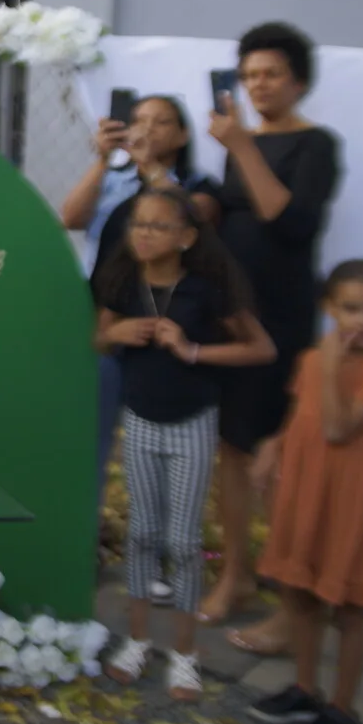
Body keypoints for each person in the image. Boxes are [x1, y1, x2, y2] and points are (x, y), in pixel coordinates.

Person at [93, 188, 273, 700]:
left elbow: (260, 348)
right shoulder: (123, 280)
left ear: (188, 237)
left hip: (193, 422)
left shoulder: (207, 289)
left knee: (184, 543)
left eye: (158, 226)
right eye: (138, 224)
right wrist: (120, 331)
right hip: (141, 419)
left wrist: (193, 350)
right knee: (143, 535)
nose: (143, 234)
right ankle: (137, 640)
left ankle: (185, 654)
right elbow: (98, 338)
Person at [199, 23, 341, 650]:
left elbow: (291, 225)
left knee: (276, 462)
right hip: (231, 319)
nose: (258, 85)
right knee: (231, 451)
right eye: (250, 74)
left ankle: (293, 603)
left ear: (299, 82)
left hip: (280, 324)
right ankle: (237, 576)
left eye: (271, 74)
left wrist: (243, 147)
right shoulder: (240, 142)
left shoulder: (316, 145)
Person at [249, 260, 363, 724]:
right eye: (351, 308)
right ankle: (305, 688)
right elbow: (302, 414)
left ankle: (341, 706)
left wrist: (333, 365)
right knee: (298, 591)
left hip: (348, 499)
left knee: (351, 607)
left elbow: (337, 429)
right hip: (304, 490)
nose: (361, 320)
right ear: (330, 308)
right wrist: (273, 448)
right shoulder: (312, 360)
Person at [62, 95, 221, 530]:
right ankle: (83, 541)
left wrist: (151, 169)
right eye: (139, 121)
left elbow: (196, 220)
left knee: (163, 454)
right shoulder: (115, 180)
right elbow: (71, 217)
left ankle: (163, 554)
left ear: (183, 134)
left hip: (164, 336)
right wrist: (102, 160)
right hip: (110, 328)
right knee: (91, 443)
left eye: (161, 122)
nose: (146, 129)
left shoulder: (199, 185)